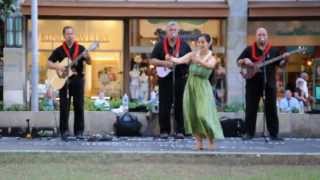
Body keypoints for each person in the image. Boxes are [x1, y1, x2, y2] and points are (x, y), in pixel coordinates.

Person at [169, 33, 224, 150]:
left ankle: (210, 139)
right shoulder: (193, 54)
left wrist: (199, 60)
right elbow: (179, 60)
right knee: (193, 114)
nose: (200, 44)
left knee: (203, 115)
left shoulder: (213, 58)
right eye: (199, 42)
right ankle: (198, 141)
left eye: (203, 42)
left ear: (209, 43)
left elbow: (210, 66)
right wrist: (171, 58)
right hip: (191, 86)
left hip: (203, 87)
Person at [237, 27, 289, 141]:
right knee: (251, 109)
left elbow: (280, 64)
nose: (262, 37)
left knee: (271, 109)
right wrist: (245, 60)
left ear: (267, 36)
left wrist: (285, 59)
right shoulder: (249, 49)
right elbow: (238, 61)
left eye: (264, 35)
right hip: (252, 84)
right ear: (256, 36)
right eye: (259, 34)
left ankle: (274, 134)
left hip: (269, 84)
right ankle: (249, 133)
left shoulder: (273, 51)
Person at [47, 26, 91, 140]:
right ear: (64, 36)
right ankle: (64, 131)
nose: (70, 35)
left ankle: (79, 131)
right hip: (64, 81)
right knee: (64, 107)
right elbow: (49, 63)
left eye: (71, 33)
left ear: (74, 35)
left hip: (78, 80)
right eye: (67, 34)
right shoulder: (59, 50)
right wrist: (59, 66)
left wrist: (88, 56)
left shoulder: (81, 49)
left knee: (79, 106)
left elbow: (90, 62)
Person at [150, 21, 191, 139]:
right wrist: (165, 63)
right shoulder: (159, 45)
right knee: (164, 105)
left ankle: (180, 130)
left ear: (178, 31)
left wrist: (180, 61)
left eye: (174, 30)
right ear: (166, 32)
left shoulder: (184, 45)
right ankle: (164, 131)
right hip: (165, 79)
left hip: (180, 78)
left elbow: (190, 60)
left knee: (180, 105)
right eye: (170, 30)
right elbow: (152, 60)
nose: (172, 32)